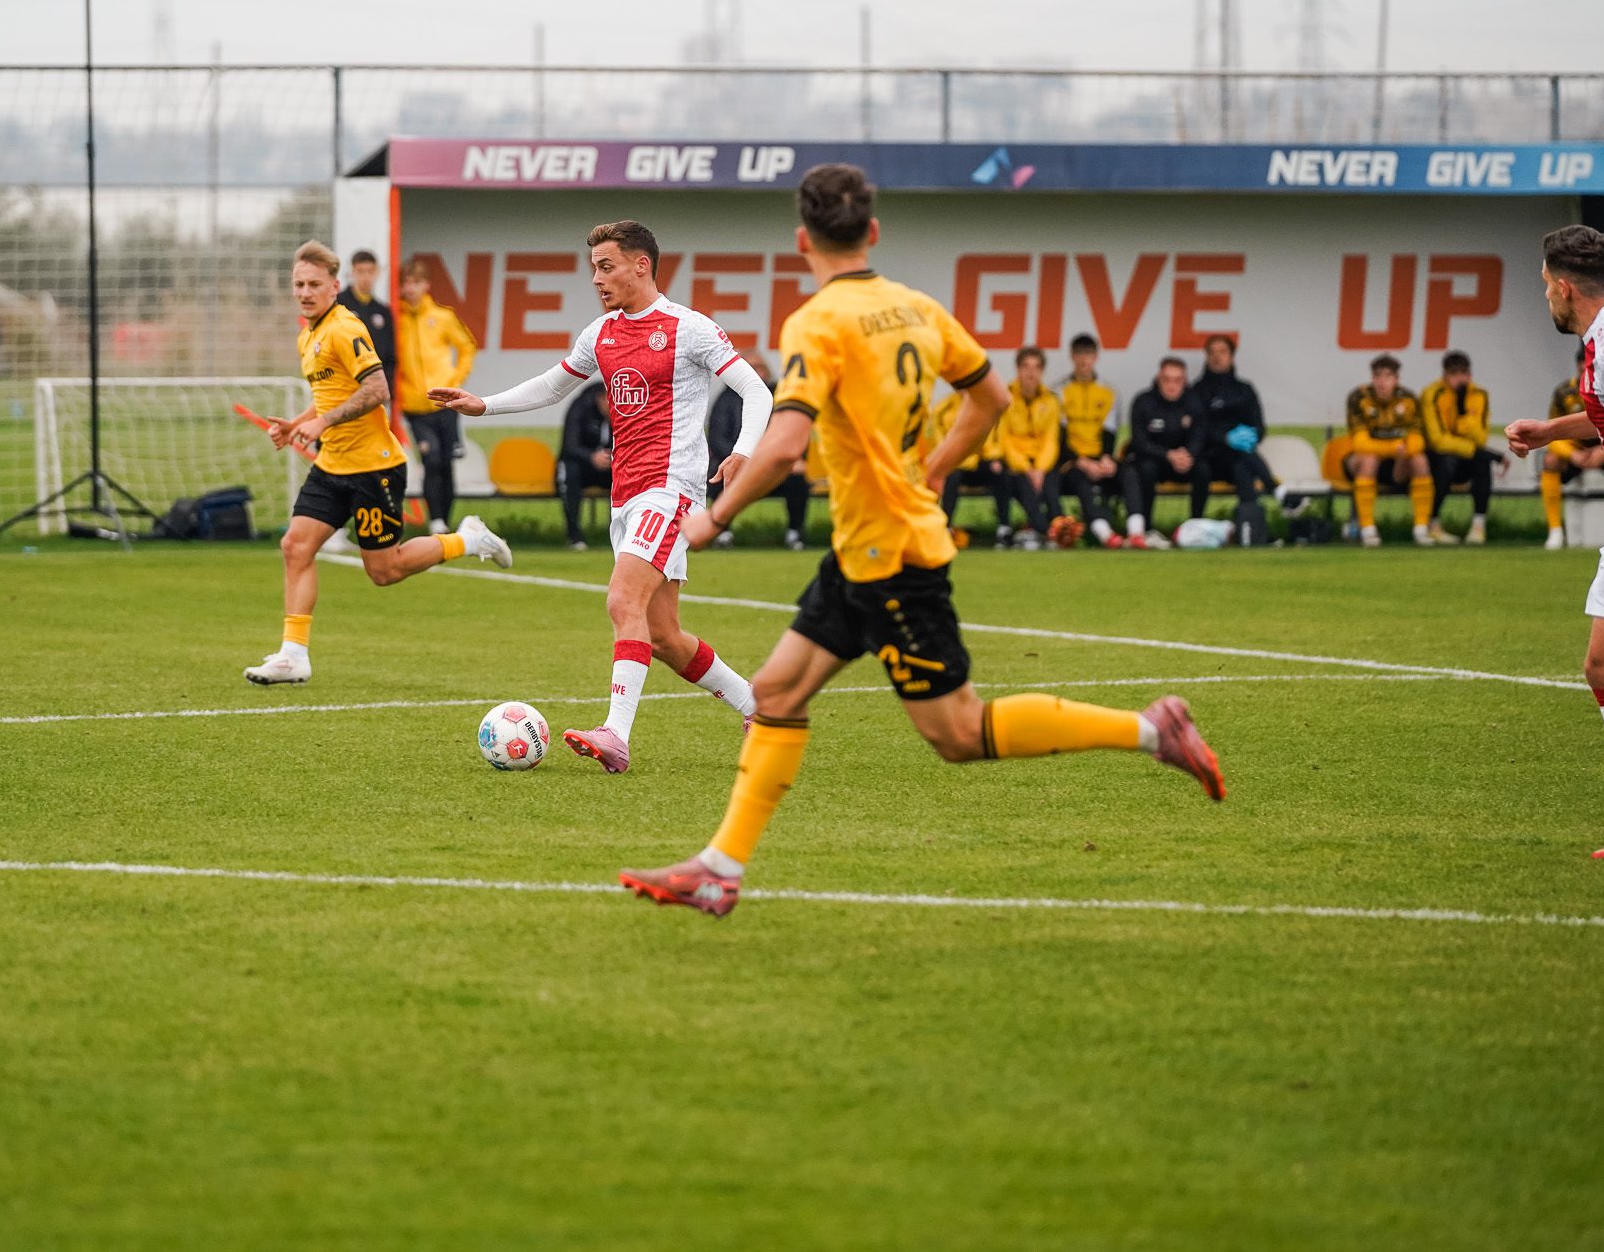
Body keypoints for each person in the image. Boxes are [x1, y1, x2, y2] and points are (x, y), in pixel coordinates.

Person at [616, 163, 1223, 916]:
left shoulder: (817, 322)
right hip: (862, 546)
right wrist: (932, 468)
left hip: (893, 559)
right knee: (776, 692)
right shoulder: (915, 307)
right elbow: (991, 397)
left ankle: (1151, 728)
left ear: (803, 240)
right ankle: (719, 868)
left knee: (959, 732)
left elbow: (782, 444)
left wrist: (717, 515)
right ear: (873, 232)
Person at [430, 220, 773, 773]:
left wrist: (744, 450)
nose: (597, 278)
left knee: (621, 601)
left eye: (606, 266)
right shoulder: (602, 334)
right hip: (625, 497)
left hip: (671, 491)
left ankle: (616, 734)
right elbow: (552, 385)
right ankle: (760, 706)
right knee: (662, 635)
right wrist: (483, 405)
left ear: (642, 264)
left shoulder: (690, 329)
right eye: (593, 268)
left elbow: (755, 390)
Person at [243, 241, 511, 686]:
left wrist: (322, 421)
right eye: (298, 285)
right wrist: (297, 424)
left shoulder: (344, 328)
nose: (305, 292)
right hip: (333, 465)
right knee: (296, 546)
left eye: (314, 284)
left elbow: (377, 390)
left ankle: (467, 539)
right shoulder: (307, 334)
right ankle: (293, 655)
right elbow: (332, 396)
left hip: (374, 467)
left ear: (334, 286)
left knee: (384, 571)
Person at [1504, 224, 1604, 859]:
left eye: (1544, 288)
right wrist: (1548, 432)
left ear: (1564, 288)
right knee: (1598, 669)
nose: (1545, 299)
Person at [394, 258, 479, 534]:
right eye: (407, 283)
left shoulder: (442, 316)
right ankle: (436, 520)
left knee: (446, 461)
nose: (411, 288)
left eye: (416, 282)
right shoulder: (398, 320)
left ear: (426, 285)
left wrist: (455, 380)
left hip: (444, 402)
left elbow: (467, 346)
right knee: (430, 460)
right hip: (415, 406)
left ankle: (445, 519)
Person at [709, 354, 810, 549]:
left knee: (798, 480)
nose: (757, 372)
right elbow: (717, 438)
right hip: (737, 467)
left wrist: (794, 458)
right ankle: (722, 532)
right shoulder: (726, 399)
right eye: (751, 367)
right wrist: (738, 457)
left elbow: (795, 428)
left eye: (760, 367)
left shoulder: (780, 395)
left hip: (773, 467)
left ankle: (795, 534)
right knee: (719, 477)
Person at [1345, 355, 1438, 547]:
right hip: (1365, 462)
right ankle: (1368, 529)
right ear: (1372, 378)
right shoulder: (1359, 398)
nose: (1382, 382)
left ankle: (1421, 528)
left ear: (1396, 379)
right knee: (1369, 459)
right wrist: (1393, 448)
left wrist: (1405, 451)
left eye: (1387, 377)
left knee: (1420, 460)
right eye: (1378, 376)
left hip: (1398, 463)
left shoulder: (1409, 399)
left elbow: (1418, 439)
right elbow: (1360, 443)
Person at [1188, 335, 1272, 545]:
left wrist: (1251, 436)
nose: (1217, 357)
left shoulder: (1245, 390)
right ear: (1207, 357)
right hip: (1209, 457)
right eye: (1212, 352)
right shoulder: (1198, 391)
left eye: (1222, 352)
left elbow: (1259, 427)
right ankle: (1194, 526)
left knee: (1242, 465)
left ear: (1232, 357)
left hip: (1237, 457)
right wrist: (1224, 438)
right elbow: (1199, 430)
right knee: (1203, 469)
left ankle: (1249, 531)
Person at [1119, 358, 1204, 549]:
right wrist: (1168, 455)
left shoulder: (1193, 402)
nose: (1171, 385)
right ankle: (1146, 529)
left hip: (1184, 463)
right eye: (1167, 379)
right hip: (1155, 460)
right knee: (1146, 469)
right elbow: (1140, 442)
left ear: (1185, 381)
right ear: (1159, 378)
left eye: (1177, 380)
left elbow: (1200, 434)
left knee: (1203, 470)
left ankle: (1196, 527)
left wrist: (1189, 454)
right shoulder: (1143, 401)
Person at [1419, 350, 1502, 546]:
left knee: (1482, 463)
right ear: (1445, 375)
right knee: (1447, 459)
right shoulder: (1432, 394)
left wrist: (1463, 410)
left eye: (1462, 373)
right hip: (1437, 458)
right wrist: (1477, 451)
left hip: (1465, 457)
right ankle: (1434, 523)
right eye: (1453, 374)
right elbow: (1438, 440)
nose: (1458, 379)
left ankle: (1478, 525)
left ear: (1469, 375)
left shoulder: (1479, 395)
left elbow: (1480, 437)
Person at [1057, 334, 1121, 546]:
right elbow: (1060, 437)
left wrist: (1105, 459)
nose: (1084, 360)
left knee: (1130, 472)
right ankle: (1105, 534)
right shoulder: (1059, 391)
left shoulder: (1109, 391)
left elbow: (1110, 433)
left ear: (1096, 357)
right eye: (1079, 354)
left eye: (1088, 354)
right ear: (1072, 357)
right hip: (1072, 460)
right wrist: (1081, 461)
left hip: (1098, 457)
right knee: (1080, 479)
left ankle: (1139, 530)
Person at [996, 347, 1062, 548]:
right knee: (1021, 482)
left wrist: (1040, 469)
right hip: (1016, 463)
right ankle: (1046, 531)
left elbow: (1051, 439)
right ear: (1017, 369)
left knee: (1051, 485)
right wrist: (1026, 467)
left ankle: (1058, 526)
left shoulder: (1051, 400)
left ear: (1042, 371)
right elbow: (1003, 438)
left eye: (1036, 367)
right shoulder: (1005, 397)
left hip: (1042, 463)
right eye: (1025, 366)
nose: (1030, 372)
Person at [1540, 346, 1604, 551]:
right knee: (1550, 460)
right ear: (1578, 367)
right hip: (1577, 450)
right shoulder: (1564, 392)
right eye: (1584, 367)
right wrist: (1573, 454)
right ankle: (1555, 531)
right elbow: (1551, 431)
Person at [343, 250, 398, 418]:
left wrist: (386, 389)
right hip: (346, 392)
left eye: (370, 271)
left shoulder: (383, 311)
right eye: (360, 272)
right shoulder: (339, 305)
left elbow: (390, 357)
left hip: (376, 394)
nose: (365, 277)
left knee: (376, 443)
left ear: (377, 273)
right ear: (352, 272)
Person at [558, 381, 612, 551]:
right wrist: (591, 457)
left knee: (630, 472)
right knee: (569, 470)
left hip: (612, 467)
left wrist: (615, 456)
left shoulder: (626, 410)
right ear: (600, 399)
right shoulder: (580, 407)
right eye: (610, 401)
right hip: (583, 468)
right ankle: (574, 536)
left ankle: (623, 534)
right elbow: (569, 446)